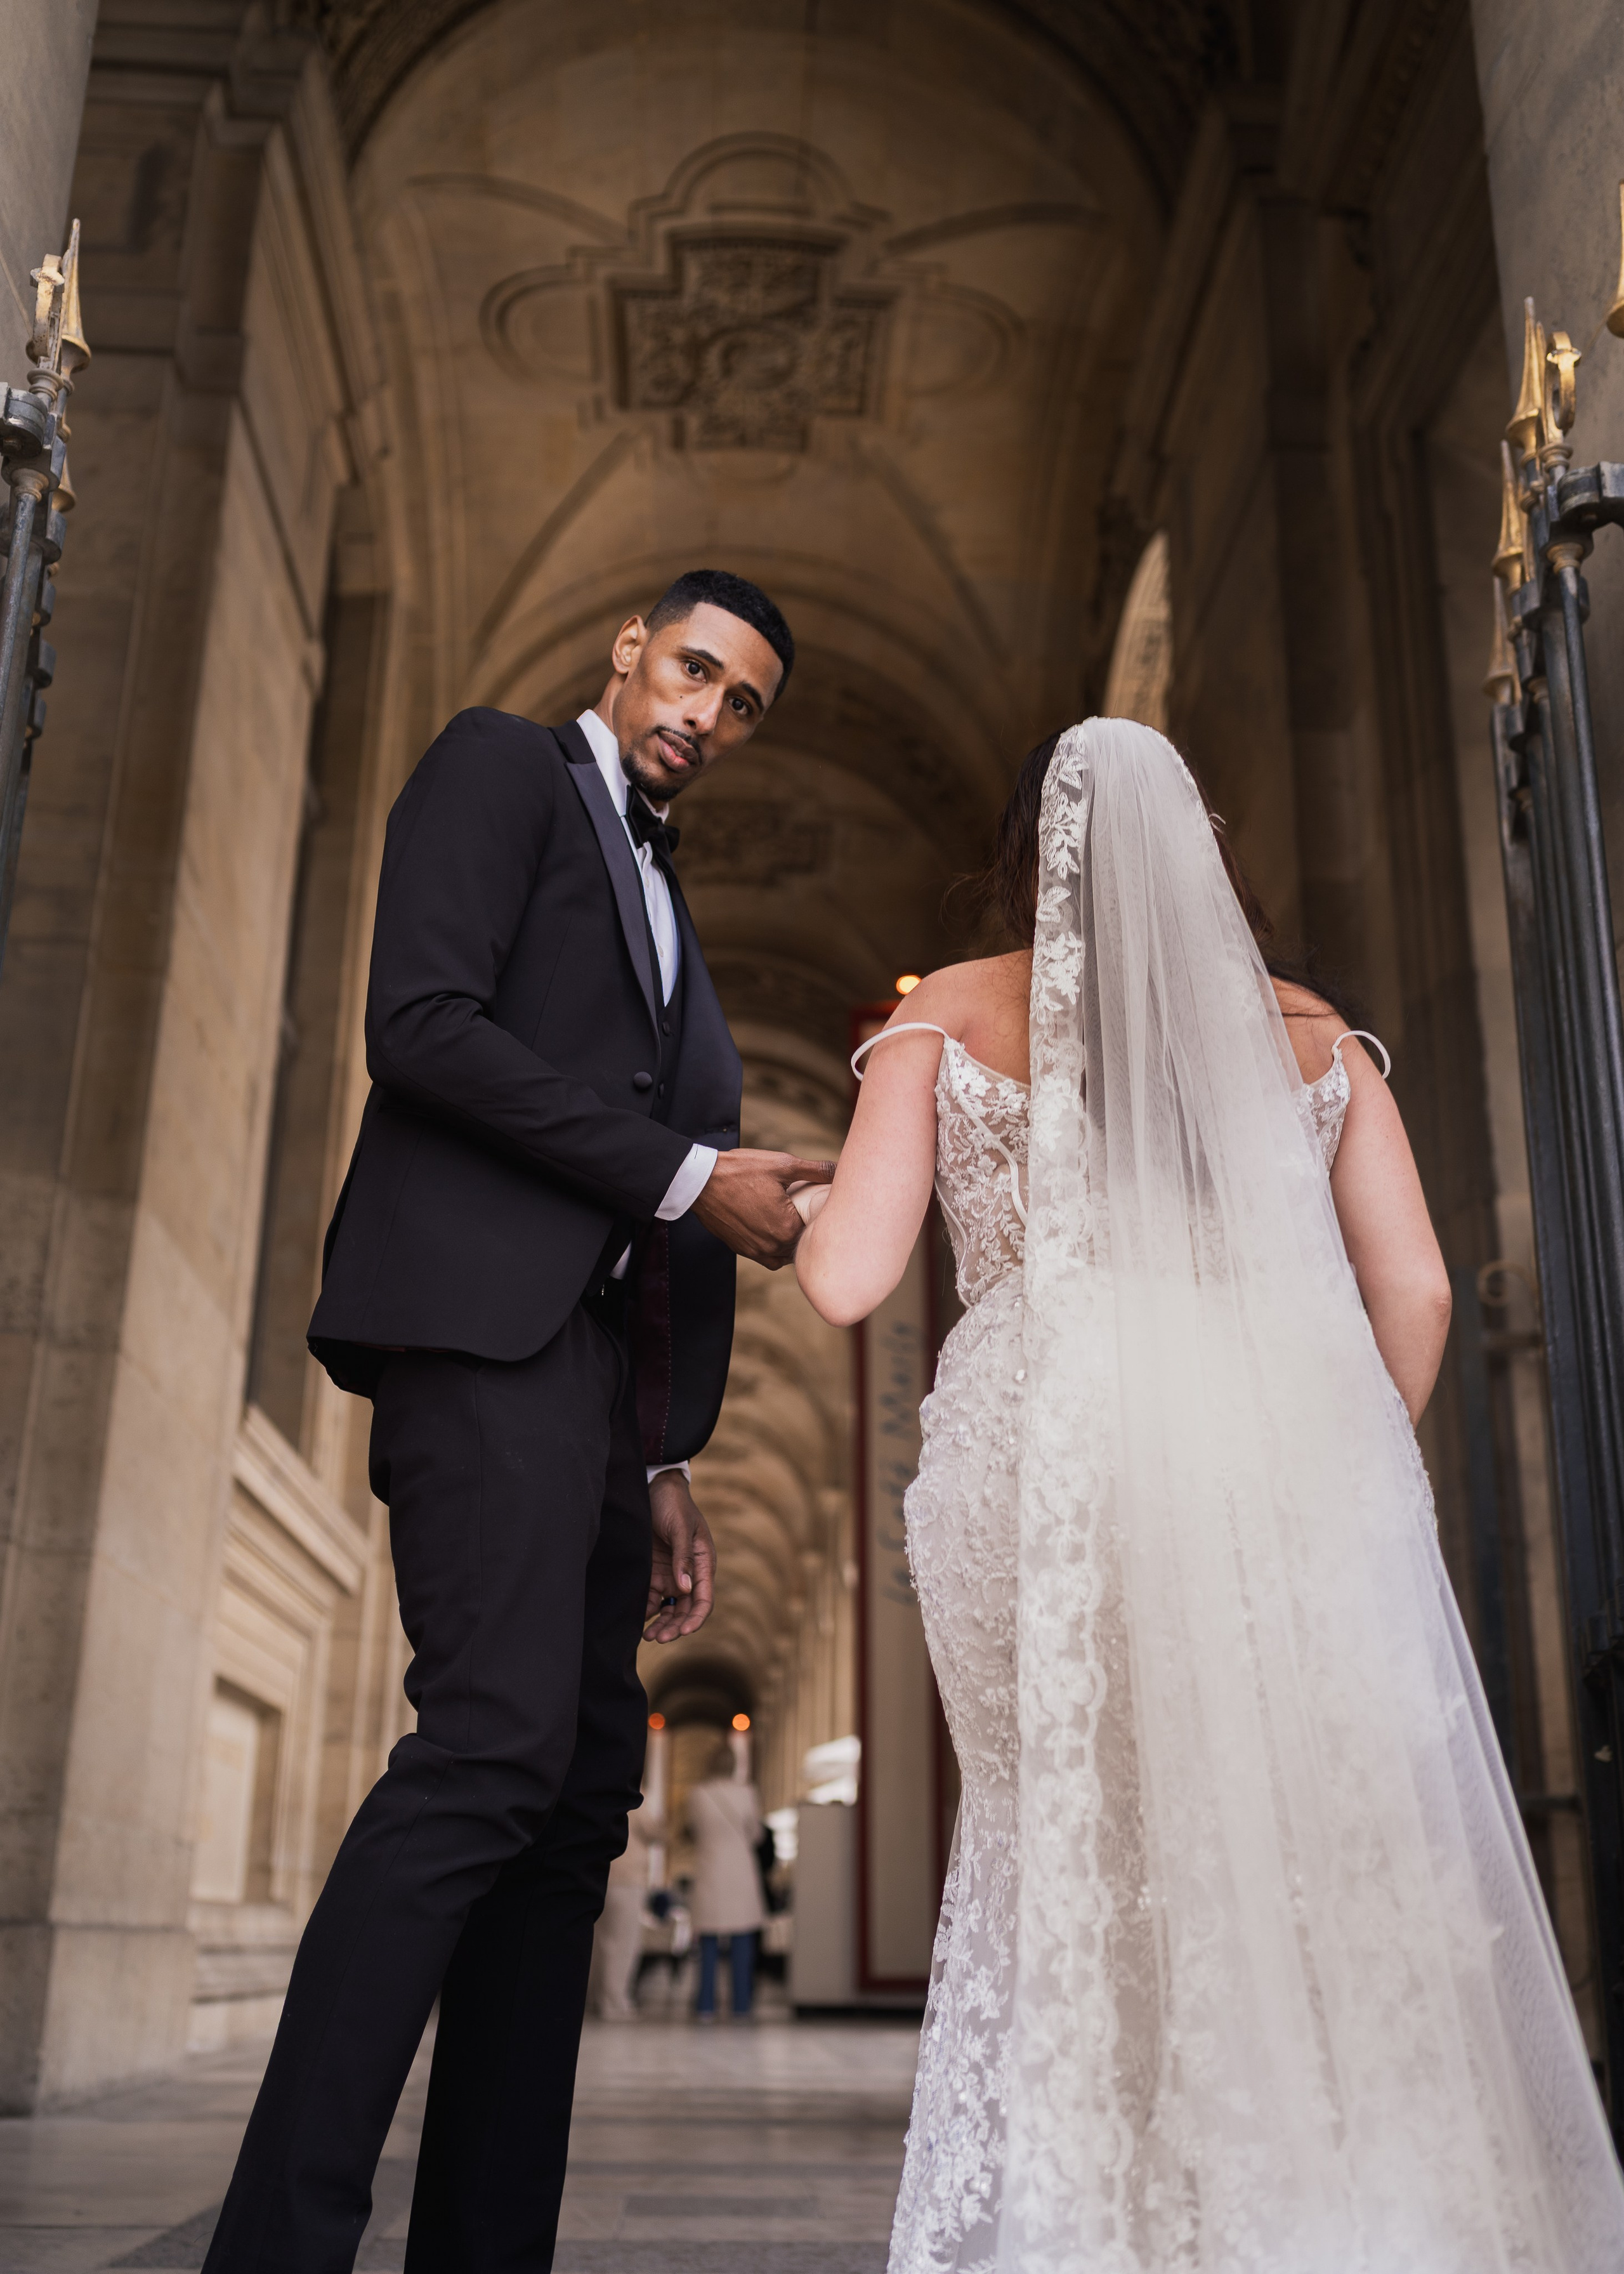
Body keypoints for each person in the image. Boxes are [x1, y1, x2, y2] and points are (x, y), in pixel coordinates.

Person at [792, 718, 1624, 2272]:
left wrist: (802, 1202)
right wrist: (1329, 1465)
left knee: (1062, 1838)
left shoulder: (945, 1016)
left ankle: (1090, 2218)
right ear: (1198, 844)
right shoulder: (1303, 1035)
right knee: (1268, 1841)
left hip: (1031, 1471)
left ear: (1031, 850)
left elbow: (847, 1279)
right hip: (1263, 1462)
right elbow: (1418, 1292)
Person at [202, 570, 832, 2271]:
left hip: (602, 1394)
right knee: (483, 1755)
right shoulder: (498, 765)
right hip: (476, 1342)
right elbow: (419, 1026)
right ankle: (273, 2248)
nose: (706, 713)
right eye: (693, 668)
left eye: (743, 703)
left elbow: (639, 1175)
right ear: (631, 646)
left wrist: (665, 1456)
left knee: (572, 1811)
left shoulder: (668, 899)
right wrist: (694, 1175)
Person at [686, 1739, 764, 2021]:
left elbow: (692, 1830)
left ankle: (705, 2004)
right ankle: (741, 2004)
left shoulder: (697, 1794)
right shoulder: (747, 1793)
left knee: (707, 1940)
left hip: (710, 1869)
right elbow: (756, 1834)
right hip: (740, 1871)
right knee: (742, 1939)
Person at [587, 1806, 655, 2020]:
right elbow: (656, 1832)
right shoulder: (636, 1802)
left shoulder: (600, 1796)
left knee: (600, 1943)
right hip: (627, 1880)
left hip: (602, 1876)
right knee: (624, 1944)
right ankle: (613, 2003)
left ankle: (594, 1999)